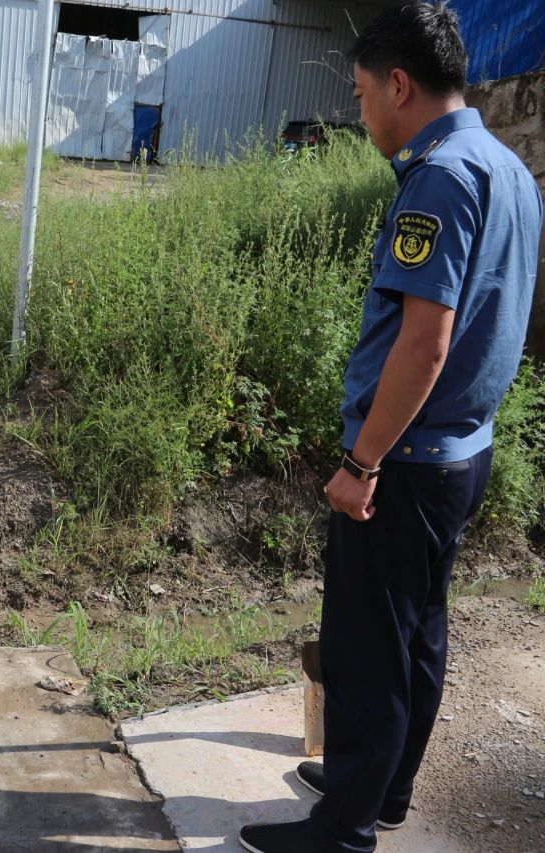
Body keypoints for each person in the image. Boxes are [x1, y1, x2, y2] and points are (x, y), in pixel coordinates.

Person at [240, 3, 542, 852]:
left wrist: (362, 461)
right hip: (461, 452)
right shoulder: (508, 168)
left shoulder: (441, 175)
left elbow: (426, 339)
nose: (360, 110)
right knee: (417, 628)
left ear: (400, 84)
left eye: (363, 92)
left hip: (404, 457)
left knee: (368, 645)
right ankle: (382, 787)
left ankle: (341, 830)